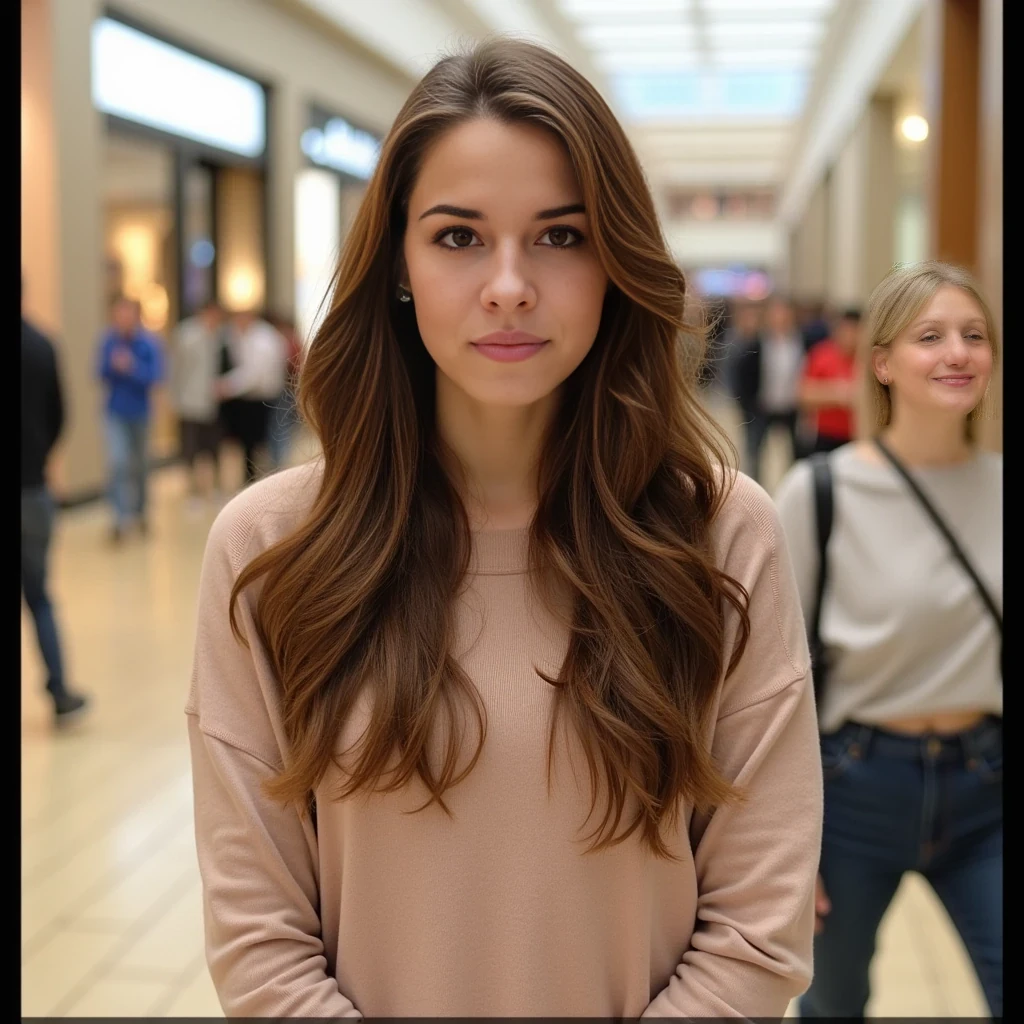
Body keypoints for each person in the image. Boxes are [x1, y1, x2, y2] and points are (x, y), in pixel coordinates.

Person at [187, 39, 822, 1019]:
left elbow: (756, 927)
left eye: (560, 237)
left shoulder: (721, 536)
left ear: (615, 261)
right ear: (398, 261)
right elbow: (260, 941)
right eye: (458, 237)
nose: (510, 285)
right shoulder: (273, 551)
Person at [774, 262, 1001, 1018]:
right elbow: (773, 678)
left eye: (974, 336)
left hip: (986, 788)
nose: (957, 353)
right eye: (930, 336)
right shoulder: (823, 493)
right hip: (854, 788)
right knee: (833, 1005)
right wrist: (785, 851)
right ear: (883, 364)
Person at [22, 299, 91, 725]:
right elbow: (60, 415)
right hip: (32, 490)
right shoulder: (41, 345)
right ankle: (61, 691)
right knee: (40, 596)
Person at [96, 296, 164, 542]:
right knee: (118, 463)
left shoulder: (148, 344)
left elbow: (156, 377)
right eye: (119, 314)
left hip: (141, 413)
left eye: (127, 313)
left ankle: (140, 511)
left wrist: (131, 367)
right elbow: (99, 373)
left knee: (141, 465)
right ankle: (119, 518)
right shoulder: (108, 341)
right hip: (115, 413)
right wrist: (114, 366)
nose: (123, 319)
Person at [734, 295, 805, 482]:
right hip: (762, 407)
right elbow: (742, 375)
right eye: (777, 313)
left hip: (791, 407)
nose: (781, 318)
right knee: (755, 452)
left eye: (785, 314)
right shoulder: (756, 343)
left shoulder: (800, 342)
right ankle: (755, 485)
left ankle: (792, 485)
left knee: (795, 452)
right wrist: (746, 405)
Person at [216, 309, 287, 486]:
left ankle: (270, 481)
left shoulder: (263, 340)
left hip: (265, 398)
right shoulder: (244, 336)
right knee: (251, 444)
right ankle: (254, 479)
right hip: (250, 399)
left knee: (267, 442)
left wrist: (228, 386)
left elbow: (253, 375)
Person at [170, 300, 225, 509]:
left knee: (213, 447)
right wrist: (175, 398)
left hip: (212, 402)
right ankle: (193, 491)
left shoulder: (219, 337)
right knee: (191, 448)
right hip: (189, 402)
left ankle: (215, 487)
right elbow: (176, 368)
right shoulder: (186, 336)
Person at [798, 308, 862, 454]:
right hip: (826, 435)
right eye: (846, 330)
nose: (850, 336)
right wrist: (838, 394)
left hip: (857, 435)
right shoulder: (821, 354)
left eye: (855, 330)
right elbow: (804, 394)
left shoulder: (869, 358)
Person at [264, 312, 303, 472]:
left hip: (286, 389)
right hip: (286, 388)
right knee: (280, 425)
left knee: (280, 425)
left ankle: (279, 462)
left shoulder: (286, 341)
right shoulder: (289, 340)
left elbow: (295, 365)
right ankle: (278, 461)